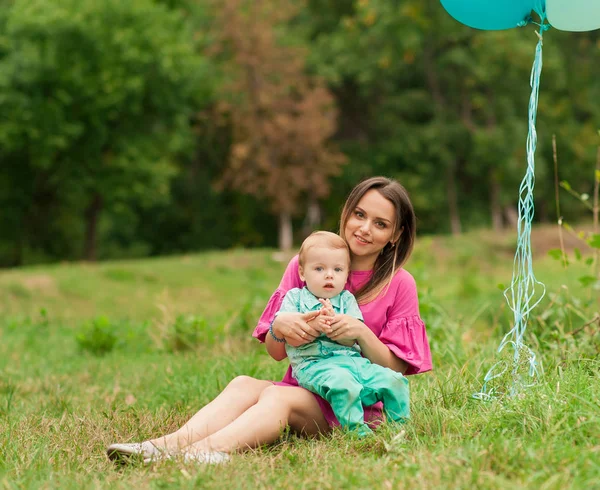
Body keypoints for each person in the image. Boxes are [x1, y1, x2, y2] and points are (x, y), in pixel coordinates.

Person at [106, 176, 432, 465]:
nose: (364, 228)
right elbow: (276, 352)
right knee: (244, 385)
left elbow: (397, 369)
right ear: (346, 213)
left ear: (395, 235)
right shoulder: (308, 263)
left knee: (278, 396)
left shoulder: (399, 283)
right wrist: (280, 328)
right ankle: (162, 446)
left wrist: (361, 332)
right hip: (306, 386)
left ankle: (207, 451)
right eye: (359, 214)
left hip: (355, 404)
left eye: (380, 223)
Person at [277, 230, 410, 437]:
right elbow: (289, 337)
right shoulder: (295, 299)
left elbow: (350, 339)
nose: (329, 275)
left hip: (353, 363)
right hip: (314, 364)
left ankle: (400, 428)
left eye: (337, 269)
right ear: (302, 273)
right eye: (319, 268)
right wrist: (315, 326)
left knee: (394, 381)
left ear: (346, 275)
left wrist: (336, 326)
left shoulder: (346, 300)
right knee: (343, 384)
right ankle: (357, 433)